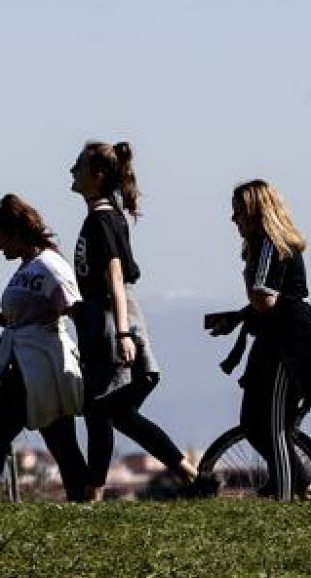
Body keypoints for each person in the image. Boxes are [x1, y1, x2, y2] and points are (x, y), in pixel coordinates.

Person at [68, 140, 216, 500]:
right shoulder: (102, 217)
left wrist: (122, 334)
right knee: (112, 413)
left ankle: (94, 495)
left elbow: (115, 279)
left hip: (110, 321)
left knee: (102, 410)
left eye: (78, 165)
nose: (71, 171)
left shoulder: (102, 220)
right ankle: (192, 477)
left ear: (97, 174)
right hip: (103, 319)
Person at [206, 180, 311, 498]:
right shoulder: (266, 247)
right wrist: (237, 317)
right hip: (278, 340)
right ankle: (302, 484)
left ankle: (284, 492)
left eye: (238, 212)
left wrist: (248, 277)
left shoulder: (270, 245)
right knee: (253, 421)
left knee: (273, 423)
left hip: (291, 348)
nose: (233, 219)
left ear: (254, 212)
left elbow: (266, 300)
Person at [0, 194, 89, 504]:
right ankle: (83, 500)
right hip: (24, 363)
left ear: (16, 234)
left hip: (38, 367)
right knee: (60, 441)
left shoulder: (48, 266)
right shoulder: (27, 267)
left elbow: (73, 308)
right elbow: (27, 317)